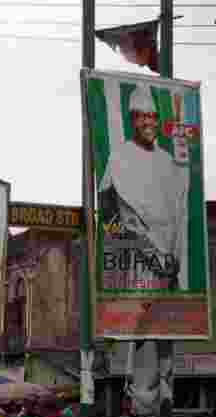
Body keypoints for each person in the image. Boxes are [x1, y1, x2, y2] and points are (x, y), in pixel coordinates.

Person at [98, 85, 189, 291]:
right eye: (141, 116)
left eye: (153, 116)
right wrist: (132, 241)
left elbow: (177, 215)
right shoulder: (119, 157)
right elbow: (105, 212)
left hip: (167, 265)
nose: (148, 122)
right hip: (134, 265)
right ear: (132, 120)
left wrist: (171, 259)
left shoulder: (167, 160)